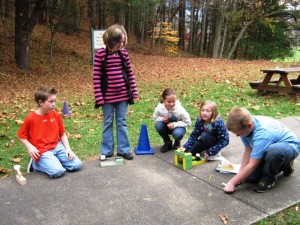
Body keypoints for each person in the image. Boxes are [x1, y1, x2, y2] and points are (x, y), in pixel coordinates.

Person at [223, 107, 300, 193]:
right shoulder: (246, 125)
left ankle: (269, 179)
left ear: (249, 126)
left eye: (239, 134)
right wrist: (239, 176)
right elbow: (248, 150)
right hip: (270, 147)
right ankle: (283, 164)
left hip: (290, 146)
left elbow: (252, 165)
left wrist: (231, 183)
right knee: (250, 177)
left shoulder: (262, 135)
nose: (238, 136)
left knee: (275, 151)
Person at [93, 24, 138, 160]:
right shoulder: (100, 54)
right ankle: (107, 150)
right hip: (107, 97)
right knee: (107, 122)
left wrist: (134, 91)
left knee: (122, 122)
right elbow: (96, 76)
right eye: (119, 42)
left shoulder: (124, 54)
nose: (121, 44)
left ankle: (123, 150)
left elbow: (130, 73)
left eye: (123, 42)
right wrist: (99, 96)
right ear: (111, 40)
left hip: (123, 96)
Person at [17, 87, 82, 178]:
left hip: (57, 146)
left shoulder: (55, 115)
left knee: (77, 165)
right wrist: (30, 147)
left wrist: (68, 149)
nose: (54, 104)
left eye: (54, 101)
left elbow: (62, 134)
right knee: (58, 171)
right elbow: (21, 136)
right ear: (41, 102)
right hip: (42, 151)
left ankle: (54, 162)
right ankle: (35, 165)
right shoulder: (31, 118)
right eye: (51, 101)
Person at [153, 88, 191, 153]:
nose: (171, 104)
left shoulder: (179, 109)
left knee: (177, 134)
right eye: (169, 102)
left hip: (179, 128)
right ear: (164, 100)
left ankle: (177, 142)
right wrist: (162, 119)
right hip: (166, 127)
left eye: (173, 101)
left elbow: (188, 122)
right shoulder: (159, 108)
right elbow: (154, 118)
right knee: (158, 125)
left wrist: (175, 124)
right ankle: (167, 142)